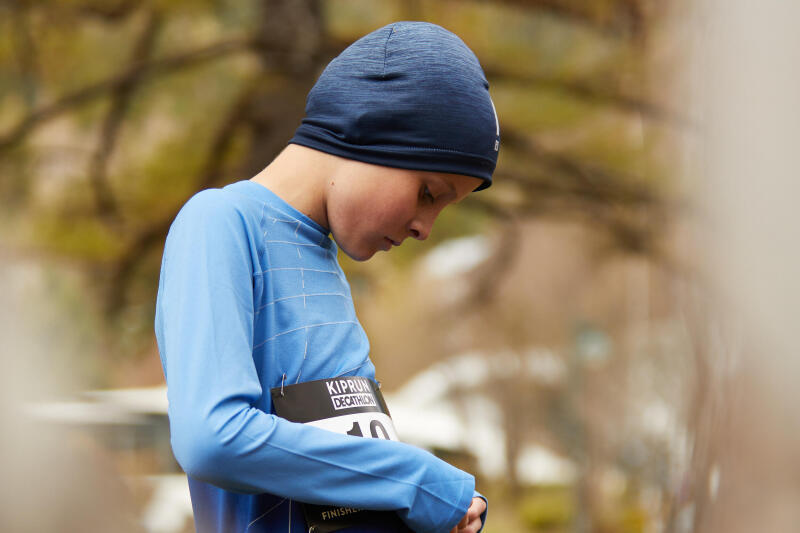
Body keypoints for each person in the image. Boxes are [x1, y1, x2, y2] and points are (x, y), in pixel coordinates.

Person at [155, 21, 500, 533]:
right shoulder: (221, 222)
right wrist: (418, 481)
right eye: (429, 193)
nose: (425, 229)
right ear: (369, 129)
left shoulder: (326, 265)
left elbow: (339, 482)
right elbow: (214, 437)